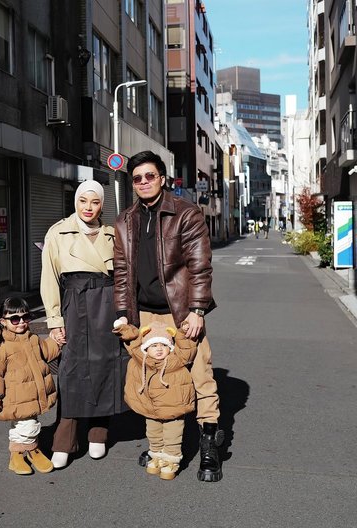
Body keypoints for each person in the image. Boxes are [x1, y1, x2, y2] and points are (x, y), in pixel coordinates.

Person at [114, 150, 224, 482]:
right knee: (150, 379)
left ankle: (209, 445)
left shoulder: (186, 213)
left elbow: (199, 266)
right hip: (145, 315)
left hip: (181, 313)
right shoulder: (124, 220)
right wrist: (123, 314)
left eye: (150, 176)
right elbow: (121, 273)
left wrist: (197, 310)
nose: (144, 182)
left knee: (200, 377)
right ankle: (160, 445)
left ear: (163, 178)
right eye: (137, 178)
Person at [40, 180, 127, 469]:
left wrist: (125, 313)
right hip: (73, 304)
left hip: (106, 304)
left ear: (102, 205)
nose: (88, 208)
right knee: (71, 369)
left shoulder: (113, 234)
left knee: (105, 365)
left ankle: (98, 434)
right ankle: (64, 441)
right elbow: (49, 279)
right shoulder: (58, 232)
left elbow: (124, 277)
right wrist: (54, 320)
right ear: (75, 202)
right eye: (83, 201)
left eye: (95, 202)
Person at [0, 297, 60, 475]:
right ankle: (32, 449)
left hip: (30, 394)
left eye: (25, 317)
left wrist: (56, 342)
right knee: (29, 425)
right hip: (15, 397)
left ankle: (16, 456)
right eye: (14, 319)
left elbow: (46, 351)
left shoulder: (32, 338)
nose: (21, 322)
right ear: (3, 322)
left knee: (22, 424)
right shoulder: (1, 346)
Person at [113, 319, 196, 480]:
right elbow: (132, 342)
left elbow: (187, 347)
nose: (159, 349)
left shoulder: (176, 360)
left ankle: (171, 459)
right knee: (153, 433)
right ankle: (157, 454)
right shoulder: (140, 359)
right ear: (145, 348)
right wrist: (123, 328)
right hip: (151, 408)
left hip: (174, 408)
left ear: (170, 347)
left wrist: (183, 332)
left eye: (164, 345)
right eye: (154, 345)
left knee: (173, 434)